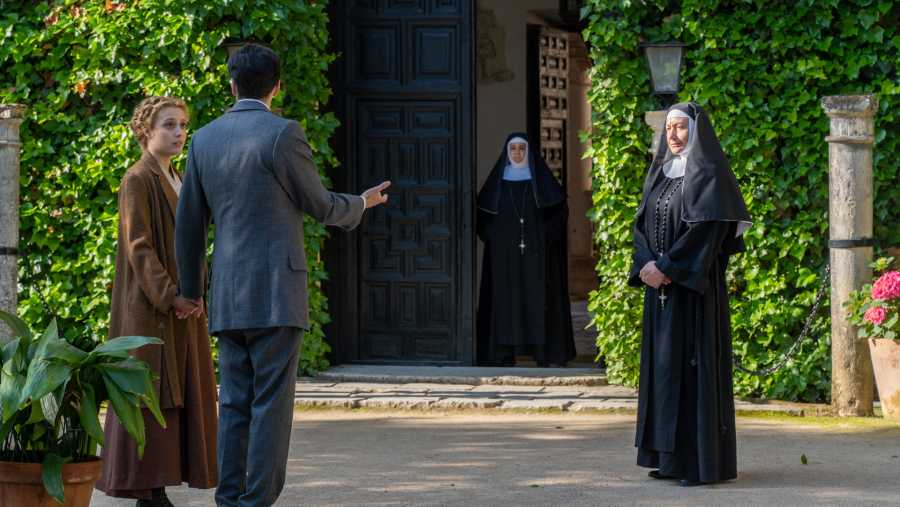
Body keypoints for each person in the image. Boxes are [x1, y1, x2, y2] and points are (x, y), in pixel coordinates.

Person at [174, 44, 390, 507]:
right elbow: (321, 205)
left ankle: (229, 499)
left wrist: (191, 291)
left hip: (228, 293)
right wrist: (363, 203)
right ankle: (256, 503)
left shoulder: (203, 139)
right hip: (277, 292)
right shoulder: (283, 134)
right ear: (277, 86)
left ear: (232, 84)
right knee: (270, 403)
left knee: (232, 402)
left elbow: (189, 224)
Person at [96, 96, 218, 507]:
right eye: (169, 125)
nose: (179, 133)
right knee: (149, 394)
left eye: (183, 125)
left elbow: (195, 243)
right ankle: (148, 490)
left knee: (181, 392)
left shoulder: (180, 177)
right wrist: (172, 297)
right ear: (147, 130)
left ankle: (160, 486)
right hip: (152, 309)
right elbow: (139, 248)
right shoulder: (137, 179)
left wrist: (197, 292)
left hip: (184, 306)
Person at [628, 102, 752, 486]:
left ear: (696, 130)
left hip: (694, 293)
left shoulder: (711, 176)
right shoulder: (661, 174)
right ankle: (667, 458)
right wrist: (648, 264)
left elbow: (708, 232)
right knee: (662, 372)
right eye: (669, 128)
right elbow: (640, 227)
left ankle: (698, 464)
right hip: (660, 295)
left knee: (692, 372)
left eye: (681, 127)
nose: (674, 135)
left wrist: (666, 268)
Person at [475, 133, 576, 368]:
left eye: (522, 148)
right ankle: (506, 354)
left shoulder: (541, 180)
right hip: (504, 257)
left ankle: (542, 355)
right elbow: (482, 216)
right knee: (506, 302)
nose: (518, 153)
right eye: (513, 149)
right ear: (507, 152)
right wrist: (495, 234)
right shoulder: (497, 182)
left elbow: (560, 211)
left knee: (538, 301)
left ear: (528, 152)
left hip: (538, 257)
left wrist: (543, 231)